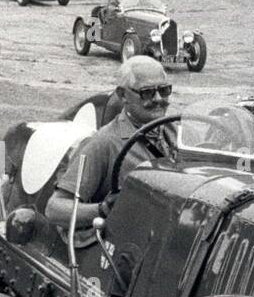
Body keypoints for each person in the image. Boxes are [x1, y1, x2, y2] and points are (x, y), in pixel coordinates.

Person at [46, 56, 177, 239]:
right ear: (123, 95)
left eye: (164, 90)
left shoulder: (177, 132)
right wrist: (103, 209)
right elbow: (55, 209)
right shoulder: (104, 142)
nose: (158, 99)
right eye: (147, 93)